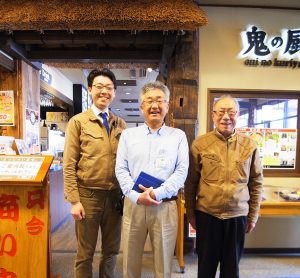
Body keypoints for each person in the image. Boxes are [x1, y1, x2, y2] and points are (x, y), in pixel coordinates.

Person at [184, 95, 263, 278]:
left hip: (237, 217)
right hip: (207, 216)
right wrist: (191, 213)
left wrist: (253, 215)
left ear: (238, 115)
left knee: (231, 269)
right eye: (221, 112)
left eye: (231, 112)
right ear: (213, 115)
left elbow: (256, 182)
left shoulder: (249, 145)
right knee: (206, 267)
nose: (226, 117)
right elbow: (191, 182)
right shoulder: (200, 144)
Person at [115, 81, 189, 278]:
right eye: (149, 101)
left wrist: (157, 193)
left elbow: (181, 171)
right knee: (129, 260)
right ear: (141, 107)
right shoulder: (128, 136)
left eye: (159, 100)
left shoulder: (178, 136)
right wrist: (135, 196)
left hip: (165, 206)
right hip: (134, 205)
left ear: (167, 106)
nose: (154, 106)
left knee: (163, 264)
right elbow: (120, 169)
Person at [63, 68, 126, 278]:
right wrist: (74, 201)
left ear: (114, 92)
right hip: (87, 196)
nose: (104, 91)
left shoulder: (120, 124)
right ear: (90, 89)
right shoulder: (78, 122)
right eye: (99, 87)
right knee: (85, 253)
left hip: (115, 197)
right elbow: (69, 163)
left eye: (109, 88)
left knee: (111, 251)